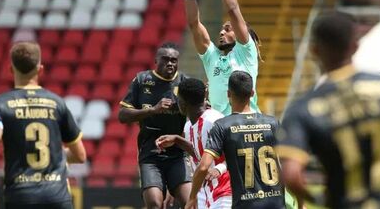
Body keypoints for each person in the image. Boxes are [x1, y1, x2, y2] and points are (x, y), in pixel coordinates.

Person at [276, 12, 380, 209]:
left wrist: (318, 200)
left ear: (314, 50)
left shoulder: (302, 109)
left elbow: (290, 174)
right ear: (355, 46)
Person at [0, 42, 86, 209]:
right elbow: (80, 155)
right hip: (56, 197)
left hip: (21, 197)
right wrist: (55, 154)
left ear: (10, 69)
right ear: (40, 69)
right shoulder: (57, 103)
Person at [186, 71, 287, 209]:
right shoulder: (273, 123)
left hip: (245, 204)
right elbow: (288, 164)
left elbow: (203, 167)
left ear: (228, 94)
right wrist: (301, 203)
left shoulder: (223, 126)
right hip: (275, 204)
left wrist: (192, 197)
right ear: (252, 93)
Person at [181, 0, 262, 116]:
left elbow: (233, 10)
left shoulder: (246, 52)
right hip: (221, 129)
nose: (221, 32)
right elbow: (194, 24)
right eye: (222, 30)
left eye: (228, 29)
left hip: (249, 123)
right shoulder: (212, 58)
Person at [118, 42, 192, 209]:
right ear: (156, 61)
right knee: (154, 203)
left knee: (190, 202)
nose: (170, 63)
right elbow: (122, 115)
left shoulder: (185, 82)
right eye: (165, 59)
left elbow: (199, 113)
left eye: (174, 60)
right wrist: (153, 110)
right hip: (150, 153)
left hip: (178, 153)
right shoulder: (142, 80)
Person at [156, 78, 232, 209]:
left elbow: (234, 152)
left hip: (225, 192)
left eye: (178, 99)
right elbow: (199, 153)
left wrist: (218, 169)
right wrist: (177, 140)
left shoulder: (214, 120)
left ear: (183, 103)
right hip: (204, 193)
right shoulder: (188, 126)